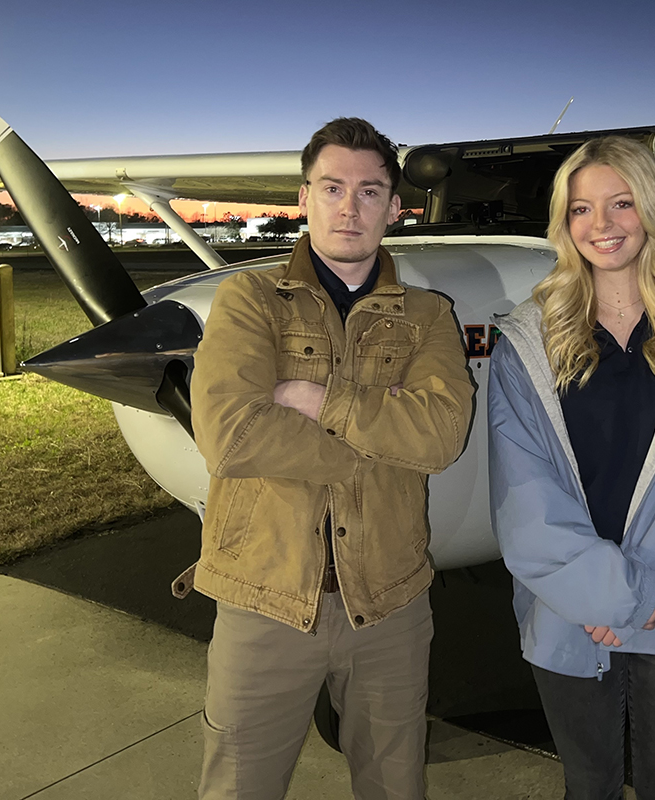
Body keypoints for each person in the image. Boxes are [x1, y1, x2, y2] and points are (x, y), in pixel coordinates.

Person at [182, 117, 475, 800]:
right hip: (264, 600)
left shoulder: (429, 317)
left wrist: (314, 398)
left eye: (371, 191)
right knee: (237, 788)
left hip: (391, 605)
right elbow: (229, 437)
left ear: (395, 209)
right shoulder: (249, 300)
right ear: (305, 197)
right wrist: (376, 445)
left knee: (396, 786)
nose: (351, 207)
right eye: (333, 187)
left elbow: (440, 439)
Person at [487, 136, 655, 799]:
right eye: (581, 209)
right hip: (570, 608)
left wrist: (637, 593)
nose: (600, 226)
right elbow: (523, 497)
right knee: (590, 785)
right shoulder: (526, 342)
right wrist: (611, 592)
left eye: (621, 204)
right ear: (563, 222)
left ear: (653, 212)